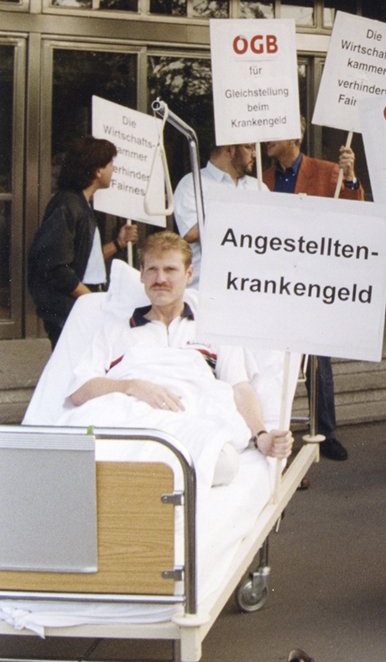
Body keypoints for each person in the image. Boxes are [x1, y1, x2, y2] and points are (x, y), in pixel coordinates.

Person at [65, 231, 291, 488]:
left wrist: (260, 435)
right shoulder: (115, 328)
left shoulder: (212, 327)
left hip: (190, 420)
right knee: (80, 454)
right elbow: (79, 391)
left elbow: (239, 387)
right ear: (141, 274)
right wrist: (131, 386)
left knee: (223, 464)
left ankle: (140, 478)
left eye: (170, 270)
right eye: (152, 270)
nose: (160, 279)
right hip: (130, 418)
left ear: (188, 274)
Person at [264, 122, 363, 462]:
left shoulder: (328, 172)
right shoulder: (262, 180)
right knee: (275, 363)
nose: (266, 140)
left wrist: (349, 177)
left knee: (319, 362)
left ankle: (326, 432)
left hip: (313, 280)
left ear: (294, 135)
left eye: (274, 133)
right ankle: (277, 429)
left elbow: (354, 211)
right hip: (274, 281)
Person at [28, 136, 138, 347]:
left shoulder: (80, 204)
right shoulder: (68, 205)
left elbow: (85, 260)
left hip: (81, 301)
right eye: (110, 164)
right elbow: (56, 267)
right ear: (97, 171)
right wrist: (90, 300)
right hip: (71, 305)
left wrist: (118, 243)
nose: (113, 170)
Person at [172, 141, 265, 284]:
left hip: (250, 284)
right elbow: (190, 232)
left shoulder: (257, 186)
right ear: (229, 150)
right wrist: (243, 212)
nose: (254, 154)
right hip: (205, 287)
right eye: (248, 147)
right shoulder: (192, 183)